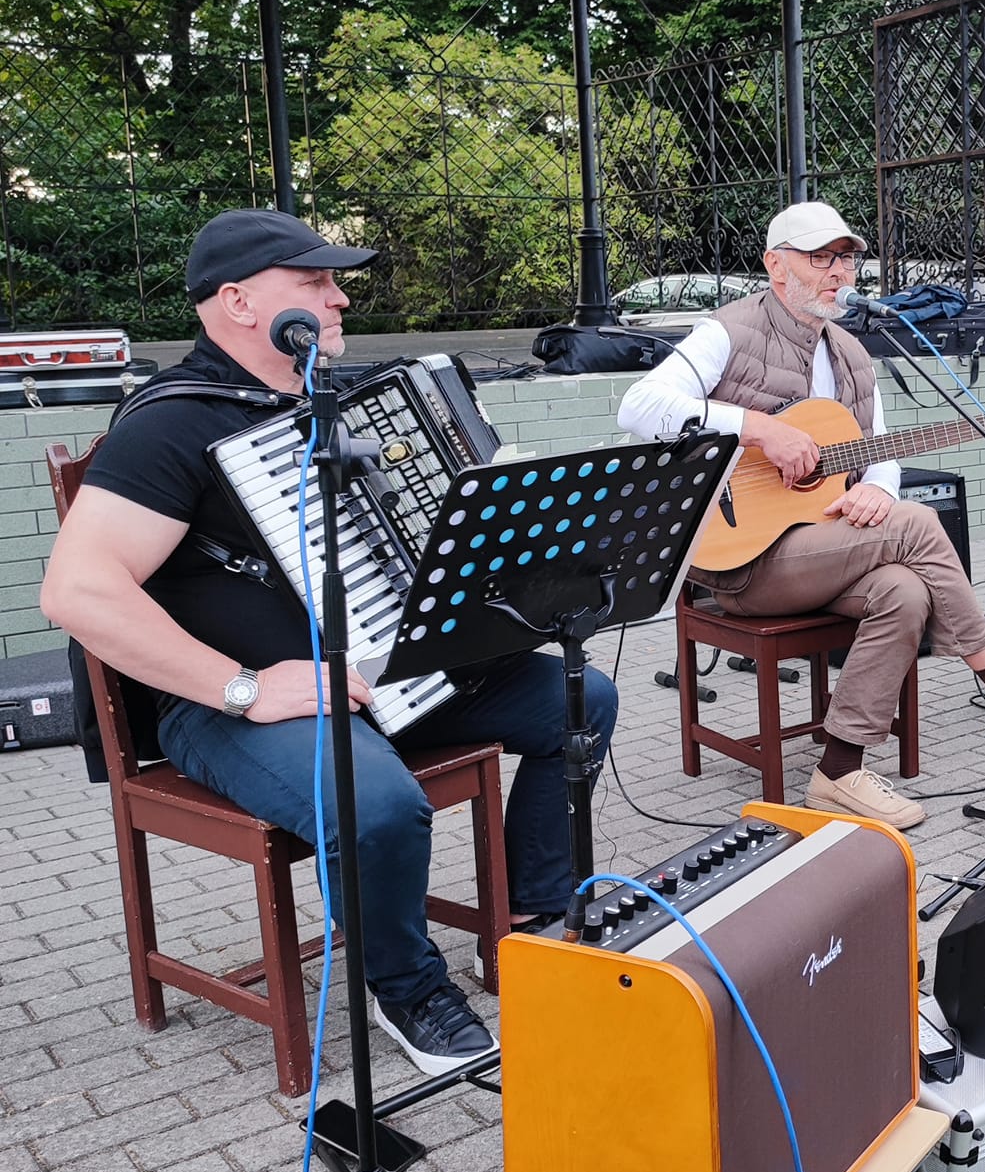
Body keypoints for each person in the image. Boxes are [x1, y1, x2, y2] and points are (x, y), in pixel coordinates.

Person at [40, 208, 618, 1079]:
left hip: (371, 677)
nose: (340, 297)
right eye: (315, 282)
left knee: (585, 697)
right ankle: (406, 985)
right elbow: (75, 590)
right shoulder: (171, 423)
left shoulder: (326, 405)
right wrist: (245, 687)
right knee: (378, 803)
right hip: (225, 707)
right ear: (238, 303)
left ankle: (531, 920)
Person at [617, 200, 985, 829]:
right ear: (777, 266)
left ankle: (837, 769)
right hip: (739, 559)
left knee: (905, 591)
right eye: (819, 257)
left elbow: (880, 450)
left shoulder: (853, 352)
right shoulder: (730, 330)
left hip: (820, 548)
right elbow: (638, 405)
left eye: (845, 258)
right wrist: (756, 429)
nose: (838, 271)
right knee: (917, 525)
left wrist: (880, 488)